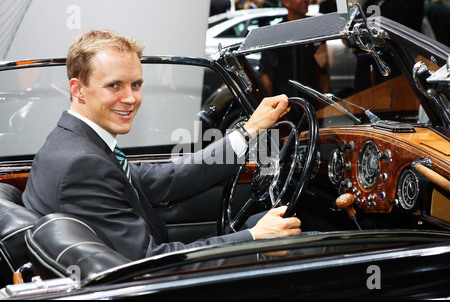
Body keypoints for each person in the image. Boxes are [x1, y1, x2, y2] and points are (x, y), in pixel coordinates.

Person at [22, 30, 301, 261]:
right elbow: (151, 262)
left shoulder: (72, 141)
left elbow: (166, 177)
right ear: (77, 89)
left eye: (136, 84)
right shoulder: (81, 164)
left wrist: (249, 130)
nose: (131, 98)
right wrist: (253, 238)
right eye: (114, 86)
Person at [260, 0, 330, 98]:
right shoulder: (276, 33)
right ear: (286, 2)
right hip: (285, 105)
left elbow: (324, 69)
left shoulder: (315, 29)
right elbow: (267, 75)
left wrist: (324, 99)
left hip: (313, 102)